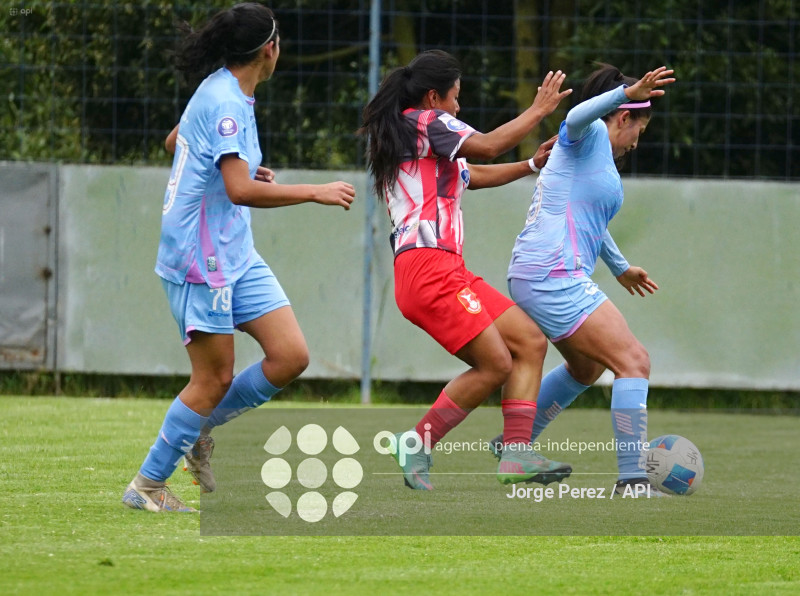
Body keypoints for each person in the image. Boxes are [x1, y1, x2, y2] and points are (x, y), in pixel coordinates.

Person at [122, 2, 355, 512]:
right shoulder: (226, 100)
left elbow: (175, 143)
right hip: (200, 257)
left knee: (290, 355)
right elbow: (238, 190)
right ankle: (146, 486)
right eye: (280, 42)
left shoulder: (228, 90)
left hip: (234, 250)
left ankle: (194, 430)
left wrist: (247, 166)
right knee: (214, 379)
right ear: (268, 49)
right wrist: (312, 191)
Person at [359, 49, 573, 490]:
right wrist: (539, 110)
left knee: (530, 342)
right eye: (456, 97)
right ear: (434, 96)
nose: (459, 106)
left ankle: (515, 454)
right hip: (428, 267)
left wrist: (533, 164)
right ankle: (418, 441)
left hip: (445, 268)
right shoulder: (425, 121)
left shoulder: (425, 138)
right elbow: (490, 144)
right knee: (495, 363)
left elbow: (473, 171)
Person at [490, 63, 676, 496]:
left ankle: (515, 444)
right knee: (634, 361)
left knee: (587, 366)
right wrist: (629, 93)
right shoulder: (587, 133)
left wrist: (619, 266)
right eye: (638, 131)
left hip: (540, 271)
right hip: (553, 272)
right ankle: (631, 478)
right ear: (625, 116)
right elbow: (573, 117)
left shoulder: (595, 162)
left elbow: (591, 221)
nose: (635, 143)